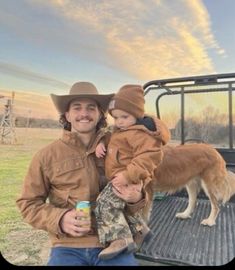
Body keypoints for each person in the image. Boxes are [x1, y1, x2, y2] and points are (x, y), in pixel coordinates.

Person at [16, 82, 147, 266]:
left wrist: (136, 197)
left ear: (100, 114)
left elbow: (139, 196)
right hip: (67, 246)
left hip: (115, 241)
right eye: (77, 108)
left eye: (90, 108)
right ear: (67, 115)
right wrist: (60, 219)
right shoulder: (46, 156)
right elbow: (27, 203)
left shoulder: (121, 146)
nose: (84, 113)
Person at [94, 84, 171, 260]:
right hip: (120, 176)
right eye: (115, 117)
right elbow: (111, 136)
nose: (119, 121)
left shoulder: (142, 134)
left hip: (129, 177)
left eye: (124, 116)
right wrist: (102, 144)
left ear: (137, 114)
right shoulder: (122, 129)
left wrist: (128, 175)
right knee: (122, 207)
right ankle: (141, 230)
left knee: (104, 204)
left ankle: (119, 239)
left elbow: (149, 157)